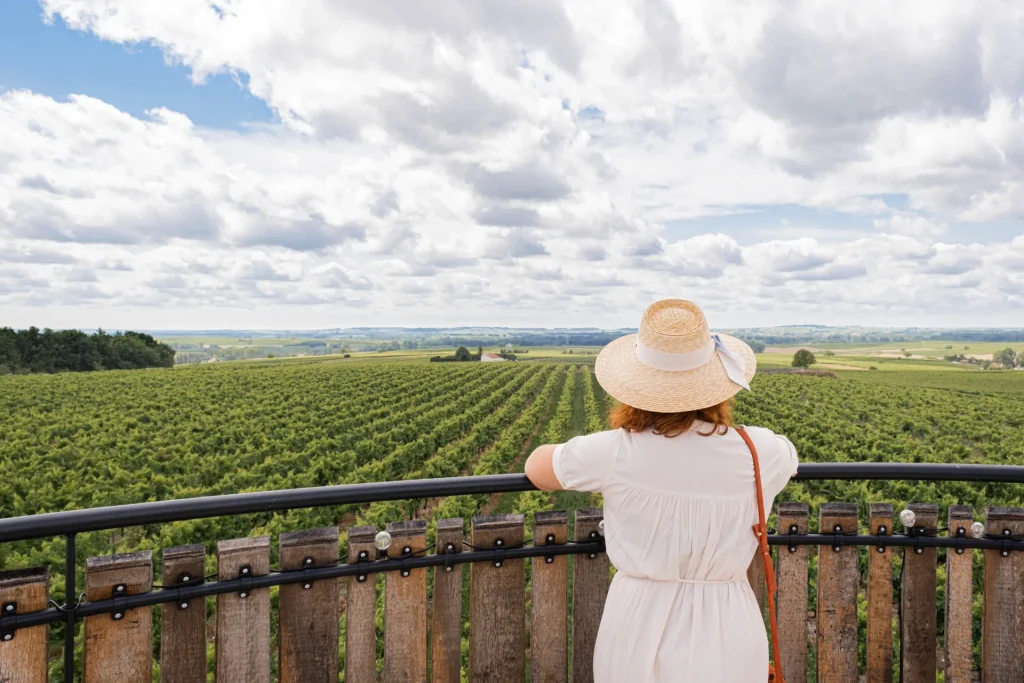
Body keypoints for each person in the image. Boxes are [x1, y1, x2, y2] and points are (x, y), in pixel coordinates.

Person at [525, 298, 798, 682]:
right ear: (719, 385)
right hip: (730, 623)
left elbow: (537, 466)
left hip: (639, 621)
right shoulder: (761, 451)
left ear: (635, 387)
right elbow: (790, 454)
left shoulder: (616, 450)